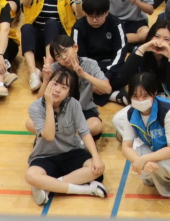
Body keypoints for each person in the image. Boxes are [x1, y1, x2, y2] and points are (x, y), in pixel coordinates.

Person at [114, 71, 170, 200]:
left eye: (145, 96)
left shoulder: (168, 112)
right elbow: (126, 147)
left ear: (155, 93)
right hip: (160, 147)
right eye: (135, 96)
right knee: (137, 153)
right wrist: (140, 161)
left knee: (156, 164)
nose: (140, 100)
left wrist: (144, 160)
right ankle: (155, 176)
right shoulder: (130, 113)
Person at [25, 68, 108, 205]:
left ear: (69, 92)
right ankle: (86, 190)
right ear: (48, 83)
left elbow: (85, 132)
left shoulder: (73, 104)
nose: (57, 90)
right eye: (55, 84)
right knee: (30, 175)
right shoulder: (35, 108)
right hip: (45, 155)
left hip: (72, 152)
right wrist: (49, 105)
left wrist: (96, 157)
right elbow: (49, 136)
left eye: (64, 87)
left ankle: (49, 186)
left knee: (97, 169)